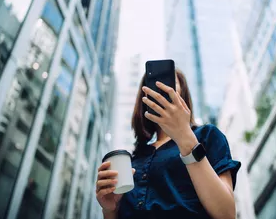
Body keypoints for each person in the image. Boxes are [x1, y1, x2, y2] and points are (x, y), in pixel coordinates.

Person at [96, 69, 241, 219]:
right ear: (144, 98)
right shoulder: (133, 160)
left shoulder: (206, 136)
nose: (160, 87)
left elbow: (227, 214)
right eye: (153, 84)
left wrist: (184, 136)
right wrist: (110, 211)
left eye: (169, 82)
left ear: (182, 94)